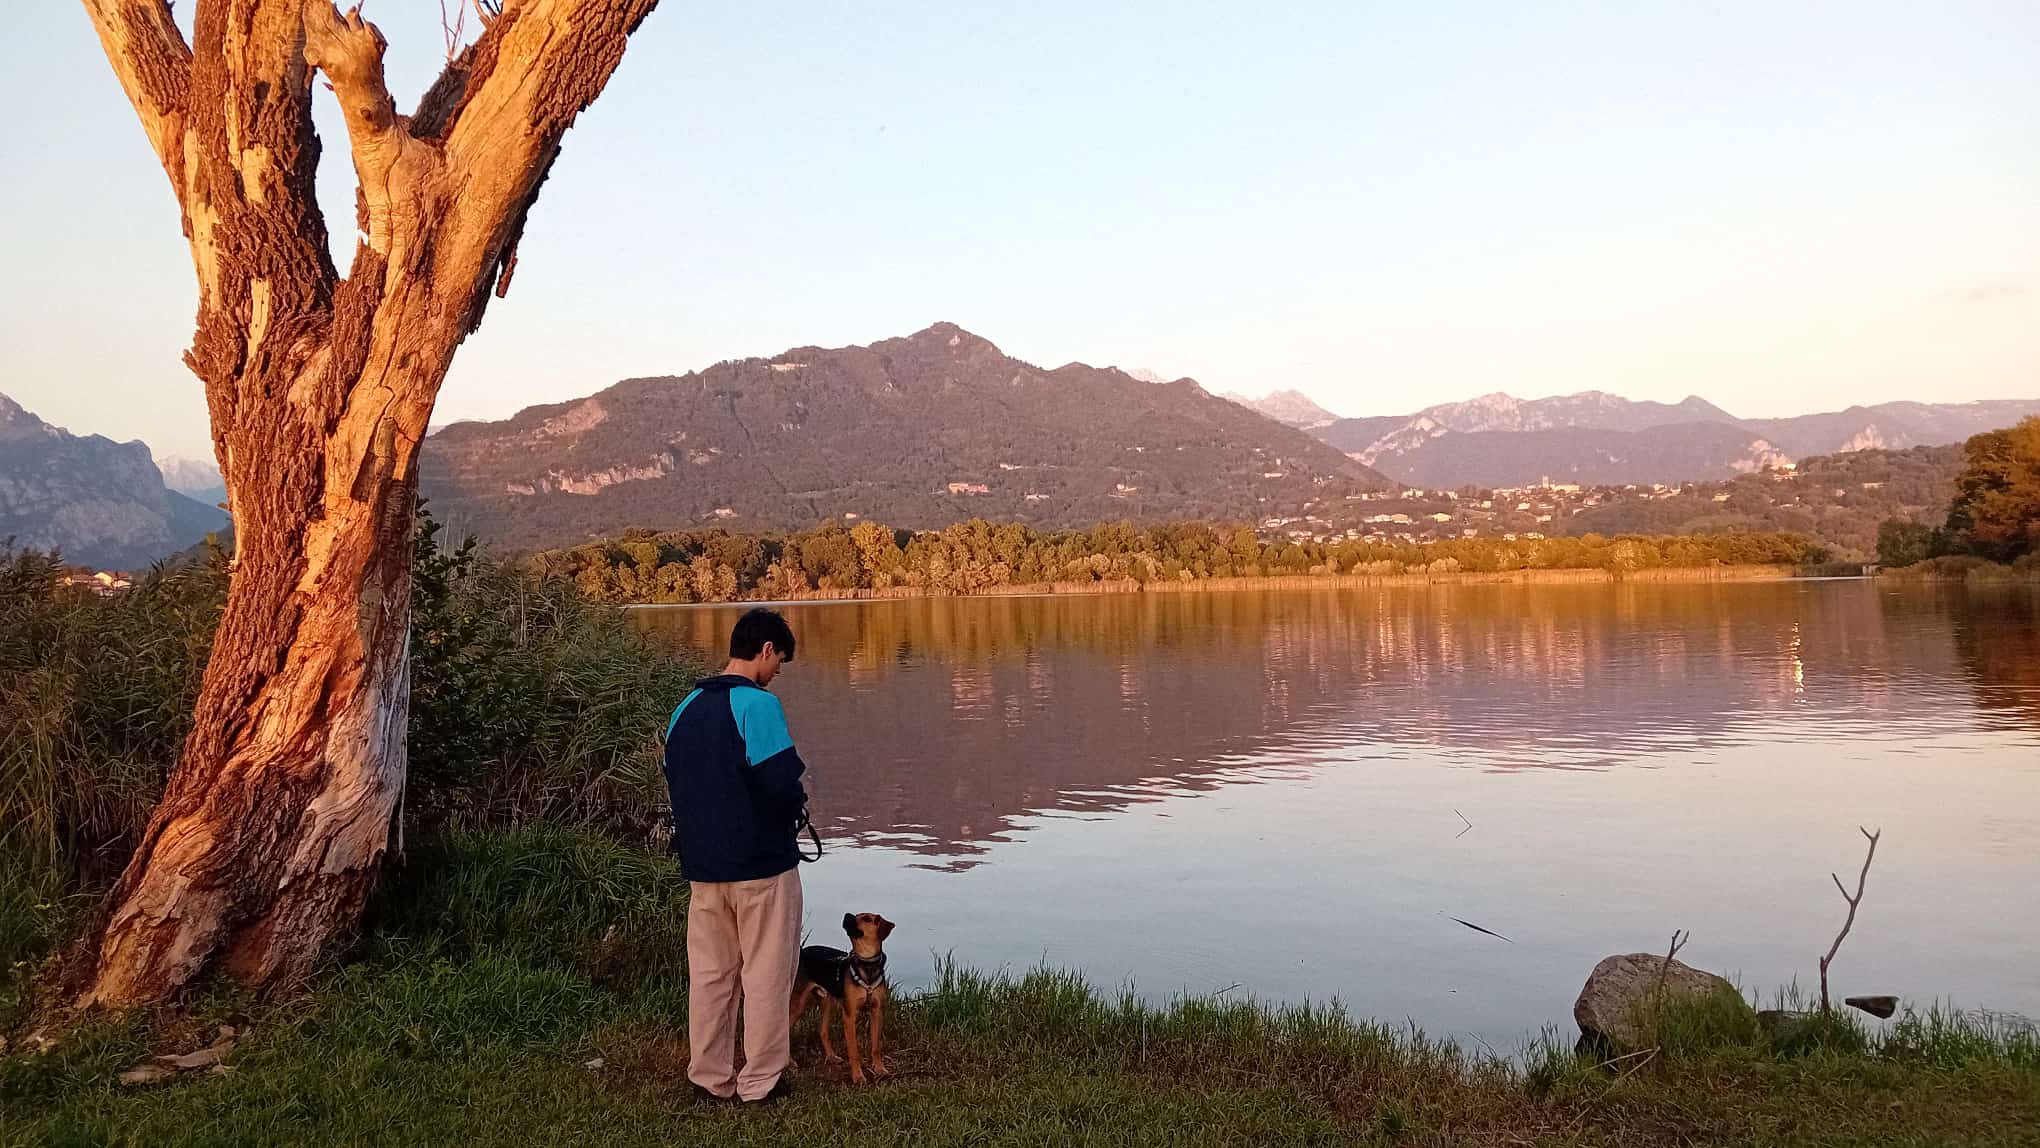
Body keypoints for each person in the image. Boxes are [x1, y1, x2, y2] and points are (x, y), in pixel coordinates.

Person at [664, 607, 810, 1104]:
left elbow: (678, 783)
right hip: (761, 866)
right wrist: (796, 807)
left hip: (704, 869)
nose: (774, 674)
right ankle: (760, 1082)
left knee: (710, 975)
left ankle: (709, 1077)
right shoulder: (757, 705)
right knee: (766, 973)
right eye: (778, 662)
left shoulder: (685, 706)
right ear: (765, 650)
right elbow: (781, 783)